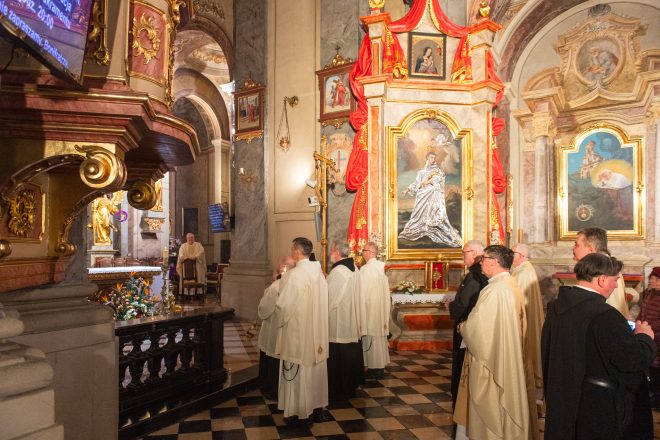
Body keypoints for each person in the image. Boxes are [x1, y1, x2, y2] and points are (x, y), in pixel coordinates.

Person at [542, 253, 655, 439]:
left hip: (562, 396)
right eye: (615, 280)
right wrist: (644, 337)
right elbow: (633, 360)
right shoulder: (605, 315)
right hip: (596, 408)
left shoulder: (556, 307)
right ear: (602, 280)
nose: (616, 285)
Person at [454, 245, 529, 440]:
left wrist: (464, 328)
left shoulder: (494, 290)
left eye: (484, 258)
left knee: (490, 403)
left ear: (494, 262)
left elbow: (479, 330)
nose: (481, 262)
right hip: (504, 354)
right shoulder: (510, 285)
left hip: (491, 361)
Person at [275, 237, 329, 426]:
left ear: (297, 252)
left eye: (292, 250)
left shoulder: (296, 276)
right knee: (316, 372)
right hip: (318, 335)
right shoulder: (320, 274)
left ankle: (300, 412)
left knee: (300, 370)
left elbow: (284, 307)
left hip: (300, 334)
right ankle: (317, 409)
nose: (291, 253)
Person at [448, 240, 488, 409]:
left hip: (467, 325)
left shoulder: (474, 275)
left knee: (462, 363)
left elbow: (464, 303)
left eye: (464, 252)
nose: (462, 256)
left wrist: (451, 306)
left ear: (474, 253)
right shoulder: (479, 273)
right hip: (472, 323)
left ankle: (460, 401)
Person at [511, 242, 544, 440]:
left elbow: (518, 304)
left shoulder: (522, 273)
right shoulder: (523, 270)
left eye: (513, 253)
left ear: (522, 255)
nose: (511, 256)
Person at [326, 240, 364, 400]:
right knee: (350, 354)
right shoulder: (354, 268)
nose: (329, 254)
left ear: (335, 251)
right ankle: (350, 385)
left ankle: (338, 388)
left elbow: (330, 299)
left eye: (330, 251)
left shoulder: (339, 272)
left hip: (339, 322)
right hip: (351, 320)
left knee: (339, 355)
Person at [399, 151, 462, 247]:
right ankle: (418, 227)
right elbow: (416, 184)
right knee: (419, 214)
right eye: (431, 157)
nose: (433, 159)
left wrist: (432, 183)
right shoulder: (421, 172)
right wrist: (406, 190)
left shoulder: (438, 171)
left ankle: (434, 226)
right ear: (427, 158)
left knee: (433, 214)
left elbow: (439, 183)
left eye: (434, 158)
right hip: (422, 195)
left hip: (433, 195)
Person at [257, 256, 295, 400]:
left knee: (272, 358)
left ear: (281, 268)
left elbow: (263, 310)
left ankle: (271, 389)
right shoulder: (297, 284)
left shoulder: (275, 286)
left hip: (273, 330)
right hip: (289, 333)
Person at [572, 227, 630, 317]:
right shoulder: (596, 269)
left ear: (590, 250)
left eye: (577, 245)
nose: (573, 248)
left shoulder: (608, 272)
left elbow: (611, 313)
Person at [359, 241, 390, 379]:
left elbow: (362, 293)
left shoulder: (367, 269)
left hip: (370, 309)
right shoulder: (380, 268)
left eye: (364, 251)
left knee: (371, 337)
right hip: (380, 309)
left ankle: (373, 367)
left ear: (370, 252)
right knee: (378, 338)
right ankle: (379, 366)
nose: (362, 253)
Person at [638, 267, 660, 409]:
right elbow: (642, 311)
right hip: (648, 335)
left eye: (656, 279)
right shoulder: (649, 293)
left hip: (657, 337)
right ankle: (655, 397)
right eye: (651, 278)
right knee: (651, 369)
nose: (652, 281)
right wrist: (639, 322)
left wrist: (648, 327)